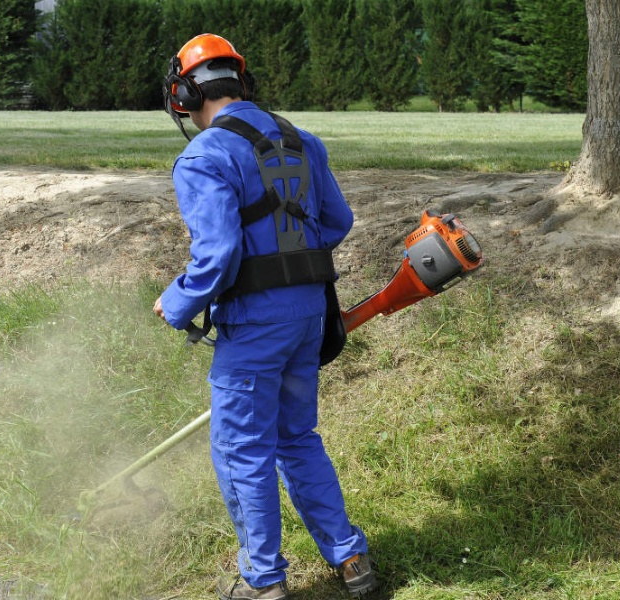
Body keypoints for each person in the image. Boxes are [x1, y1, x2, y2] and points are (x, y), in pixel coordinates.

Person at [153, 34, 378, 600]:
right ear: (241, 81)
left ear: (183, 93)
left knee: (242, 449)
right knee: (296, 438)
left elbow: (218, 253)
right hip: (308, 313)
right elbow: (338, 220)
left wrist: (178, 302)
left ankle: (263, 583)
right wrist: (289, 264)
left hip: (256, 323)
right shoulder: (302, 140)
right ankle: (352, 561)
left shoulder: (204, 156)